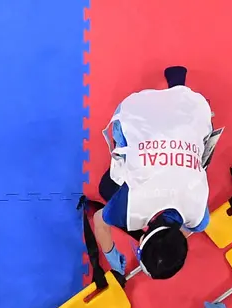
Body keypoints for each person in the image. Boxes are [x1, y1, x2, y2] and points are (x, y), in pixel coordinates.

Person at [92, 66, 215, 279]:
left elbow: (188, 230)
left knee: (187, 133)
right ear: (141, 241)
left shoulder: (199, 218)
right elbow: (99, 221)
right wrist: (111, 253)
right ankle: (176, 94)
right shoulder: (128, 209)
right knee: (107, 187)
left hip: (195, 109)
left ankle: (179, 89)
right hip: (134, 111)